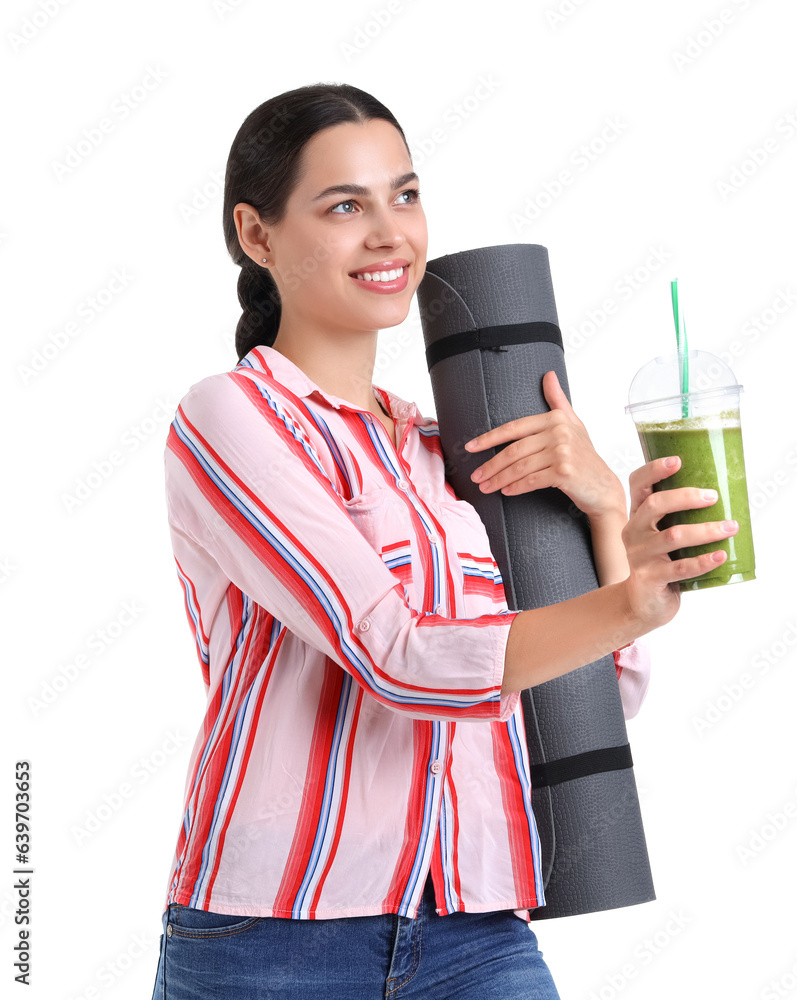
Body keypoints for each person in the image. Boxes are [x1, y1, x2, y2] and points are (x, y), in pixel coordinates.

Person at [148, 83, 739, 999]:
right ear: (257, 236)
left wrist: (598, 514)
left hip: (475, 925)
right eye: (345, 205)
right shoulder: (230, 417)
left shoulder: (448, 447)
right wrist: (628, 600)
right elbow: (397, 656)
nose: (390, 233)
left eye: (406, 195)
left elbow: (595, 691)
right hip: (273, 939)